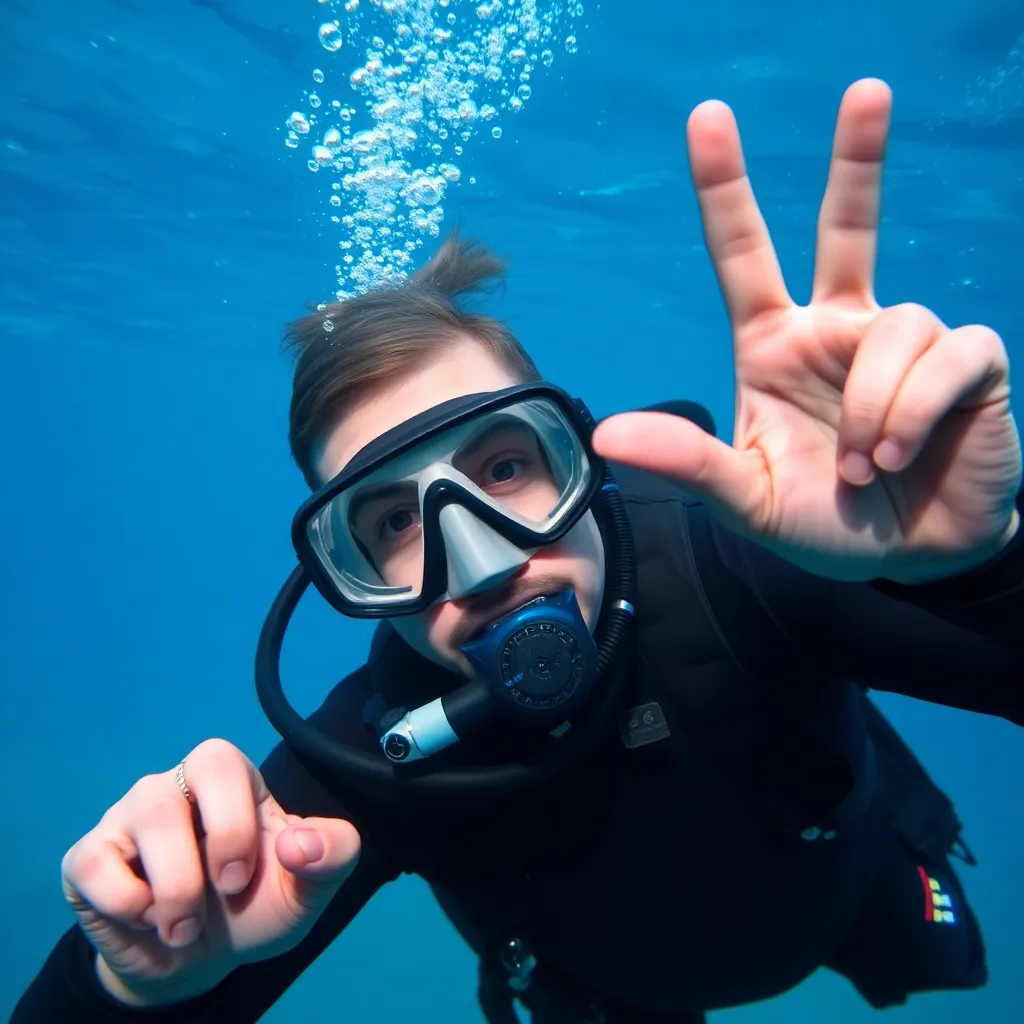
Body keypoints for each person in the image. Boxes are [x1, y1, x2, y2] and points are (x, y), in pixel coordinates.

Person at [12, 78, 1023, 1024]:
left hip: (853, 889)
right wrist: (135, 980)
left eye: (502, 469)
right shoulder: (383, 755)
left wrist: (979, 566)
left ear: (579, 458)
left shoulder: (743, 571)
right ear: (348, 577)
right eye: (396, 524)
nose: (484, 563)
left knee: (933, 959)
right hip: (610, 989)